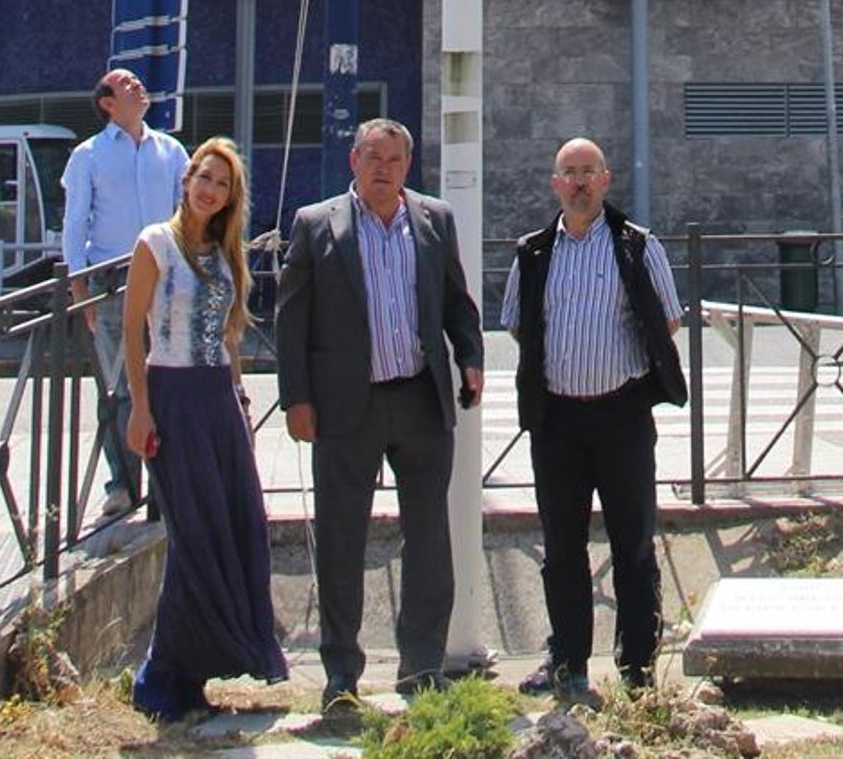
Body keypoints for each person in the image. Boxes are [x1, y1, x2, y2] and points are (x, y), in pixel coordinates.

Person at [275, 117, 484, 721]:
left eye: (394, 160)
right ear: (354, 161)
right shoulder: (317, 225)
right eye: (373, 157)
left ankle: (422, 666)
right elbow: (292, 319)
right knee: (342, 541)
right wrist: (296, 398)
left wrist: (470, 356)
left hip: (419, 399)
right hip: (346, 406)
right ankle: (342, 674)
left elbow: (456, 301)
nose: (383, 169)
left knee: (429, 540)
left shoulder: (434, 219)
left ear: (407, 166)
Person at [501, 138, 686, 702]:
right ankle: (568, 662)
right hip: (557, 420)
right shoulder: (533, 253)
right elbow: (518, 324)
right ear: (555, 184)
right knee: (562, 549)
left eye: (589, 171)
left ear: (606, 180)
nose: (580, 182)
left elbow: (667, 320)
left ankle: (637, 669)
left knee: (633, 544)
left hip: (621, 415)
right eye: (570, 172)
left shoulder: (637, 246)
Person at [124, 138, 288, 721]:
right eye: (204, 177)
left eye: (222, 184)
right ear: (187, 179)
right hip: (172, 394)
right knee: (193, 535)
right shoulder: (155, 243)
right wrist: (140, 408)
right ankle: (161, 675)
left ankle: (194, 672)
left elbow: (228, 335)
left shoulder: (224, 253)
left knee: (234, 524)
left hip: (217, 396)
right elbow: (133, 331)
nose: (210, 190)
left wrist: (240, 399)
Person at [61, 69, 188, 517]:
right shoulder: (88, 155)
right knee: (119, 385)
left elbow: (186, 211)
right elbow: (76, 221)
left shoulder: (170, 150)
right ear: (107, 104)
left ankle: (165, 481)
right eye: (125, 84)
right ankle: (122, 484)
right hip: (112, 280)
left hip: (166, 278)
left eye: (137, 82)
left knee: (169, 378)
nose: (137, 86)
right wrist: (79, 285)